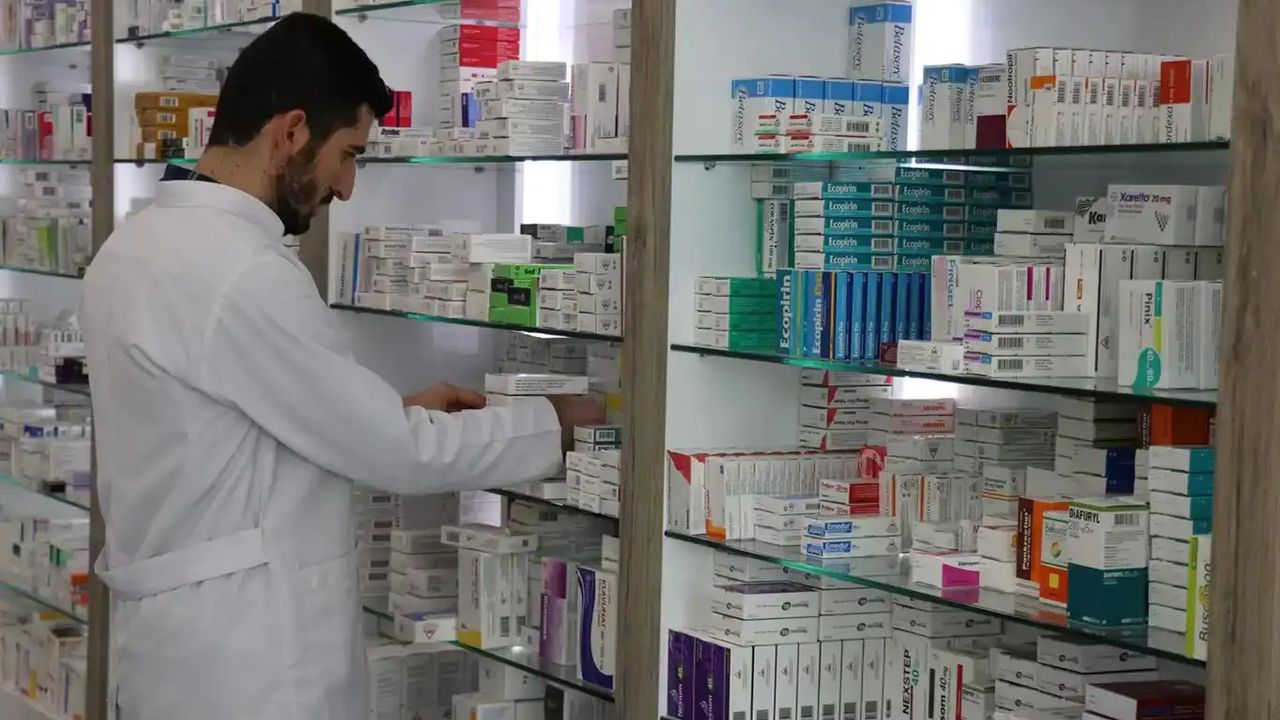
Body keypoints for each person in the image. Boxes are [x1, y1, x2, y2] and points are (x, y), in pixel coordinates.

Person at [80, 12, 602, 720]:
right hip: (252, 670)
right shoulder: (241, 272)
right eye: (349, 154)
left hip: (171, 656)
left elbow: (219, 437)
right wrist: (556, 421)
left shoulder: (133, 247)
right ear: (292, 131)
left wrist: (383, 413)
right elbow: (401, 454)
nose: (348, 187)